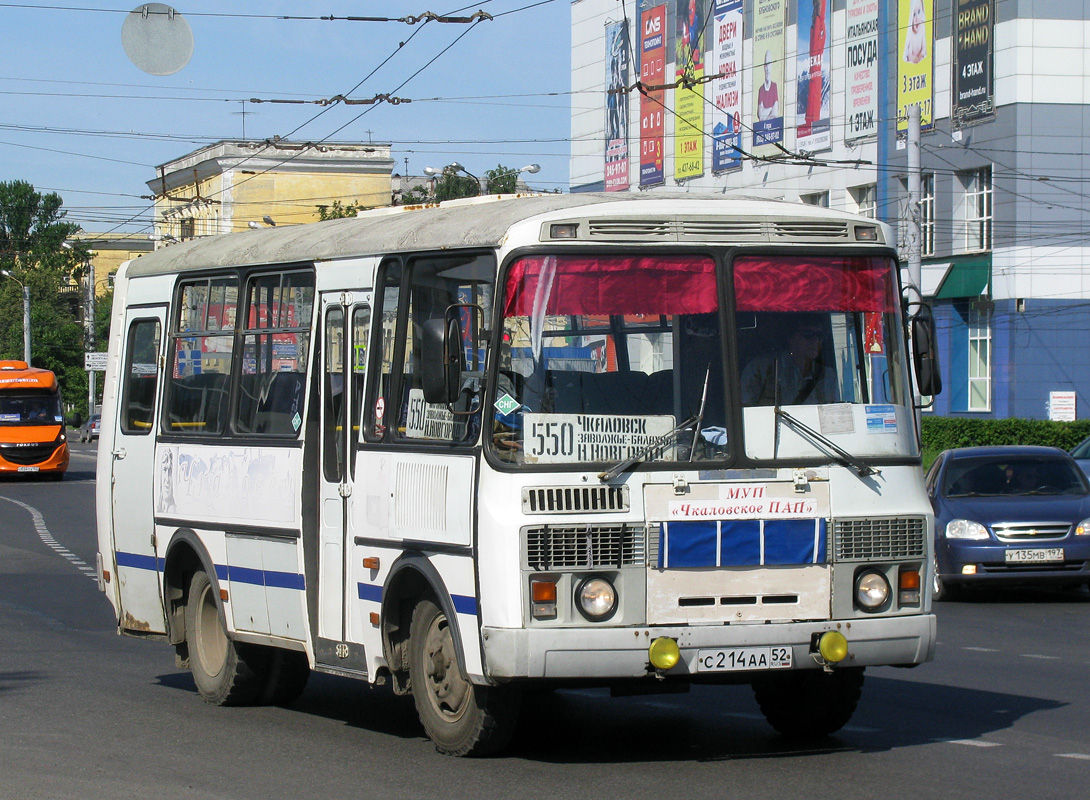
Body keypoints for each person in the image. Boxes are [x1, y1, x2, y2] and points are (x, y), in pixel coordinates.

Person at [740, 315, 838, 406]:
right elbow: (745, 409)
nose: (816, 341)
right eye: (808, 334)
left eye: (820, 335)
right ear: (790, 337)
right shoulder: (760, 369)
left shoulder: (827, 375)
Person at [902, 0, 927, 64]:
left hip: (921, 60)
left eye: (919, 12)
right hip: (914, 64)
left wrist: (922, 54)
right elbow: (909, 54)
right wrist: (914, 58)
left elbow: (924, 46)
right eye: (914, 15)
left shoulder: (922, 28)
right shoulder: (910, 34)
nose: (917, 18)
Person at [757, 50, 779, 121]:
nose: (767, 69)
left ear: (771, 66)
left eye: (769, 65)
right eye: (766, 65)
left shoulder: (774, 86)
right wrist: (770, 109)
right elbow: (761, 116)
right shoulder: (761, 90)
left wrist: (765, 111)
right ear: (764, 67)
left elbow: (775, 113)